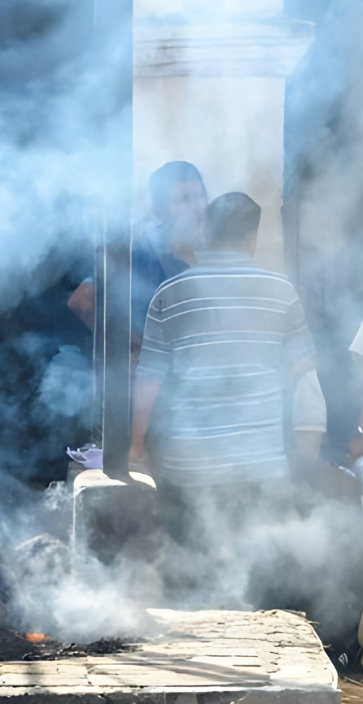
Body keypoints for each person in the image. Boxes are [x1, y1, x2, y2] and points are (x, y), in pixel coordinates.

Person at [129, 192, 316, 599]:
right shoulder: (282, 292)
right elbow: (302, 364)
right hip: (260, 466)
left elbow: (149, 378)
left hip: (188, 468)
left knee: (190, 581)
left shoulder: (171, 291)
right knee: (258, 584)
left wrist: (137, 446)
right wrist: (265, 387)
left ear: (207, 233)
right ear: (251, 238)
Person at [68, 161, 207, 352]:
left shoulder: (205, 256)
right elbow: (82, 301)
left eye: (200, 195)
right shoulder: (144, 252)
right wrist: (137, 350)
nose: (198, 207)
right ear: (161, 211)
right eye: (183, 199)